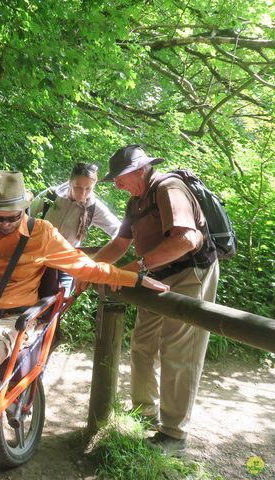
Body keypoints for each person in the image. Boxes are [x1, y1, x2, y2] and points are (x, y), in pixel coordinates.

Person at [0, 170, 169, 480]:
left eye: (10, 218)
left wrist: (133, 277)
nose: (3, 224)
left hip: (12, 319)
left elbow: (87, 267)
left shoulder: (42, 234)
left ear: (24, 209)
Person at [91, 144, 220, 455]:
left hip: (190, 273)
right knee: (143, 343)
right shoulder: (136, 202)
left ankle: (174, 434)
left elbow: (188, 239)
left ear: (139, 170)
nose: (117, 185)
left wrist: (137, 268)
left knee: (178, 352)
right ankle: (144, 413)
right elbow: (121, 243)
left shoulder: (168, 188)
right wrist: (90, 268)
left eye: (120, 178)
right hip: (156, 277)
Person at [30, 162, 121, 293]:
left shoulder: (94, 208)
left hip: (67, 265)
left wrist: (105, 258)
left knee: (59, 304)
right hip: (37, 258)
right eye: (78, 187)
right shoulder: (50, 196)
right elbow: (25, 217)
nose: (83, 193)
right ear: (69, 182)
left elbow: (119, 230)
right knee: (27, 301)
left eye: (88, 189)